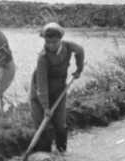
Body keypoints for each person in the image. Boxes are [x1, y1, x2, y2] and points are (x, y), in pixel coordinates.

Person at [29, 22, 84, 153]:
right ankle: (44, 158)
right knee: (42, 126)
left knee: (60, 125)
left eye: (54, 42)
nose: (51, 45)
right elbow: (41, 85)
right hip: (39, 93)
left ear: (60, 40)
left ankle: (61, 155)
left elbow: (80, 51)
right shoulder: (42, 58)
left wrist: (79, 69)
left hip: (59, 90)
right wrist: (46, 106)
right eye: (48, 42)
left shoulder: (68, 46)